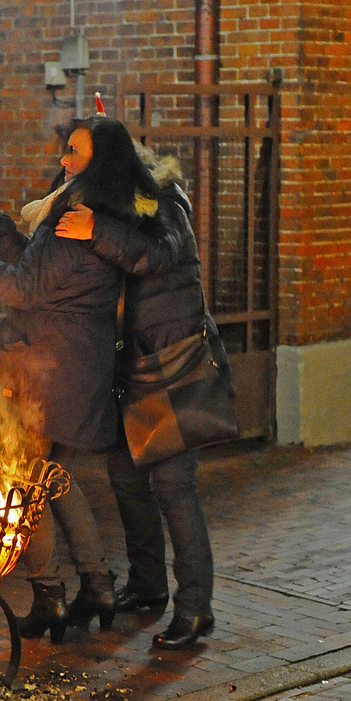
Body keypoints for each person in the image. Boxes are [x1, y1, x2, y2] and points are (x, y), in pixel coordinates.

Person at [0, 118, 163, 641]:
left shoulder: (79, 219)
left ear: (100, 159)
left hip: (55, 372)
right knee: (54, 480)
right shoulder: (93, 218)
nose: (64, 159)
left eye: (75, 151)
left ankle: (49, 593)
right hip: (78, 366)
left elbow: (22, 289)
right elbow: (39, 268)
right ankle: (98, 585)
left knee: (24, 483)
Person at [56, 142, 232, 649]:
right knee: (126, 477)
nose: (67, 167)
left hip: (171, 364)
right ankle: (148, 585)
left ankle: (196, 609)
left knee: (175, 488)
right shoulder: (110, 204)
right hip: (130, 365)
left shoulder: (164, 198)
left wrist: (99, 232)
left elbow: (159, 256)